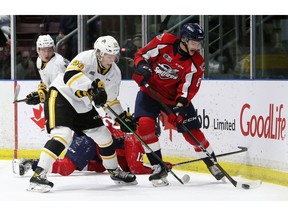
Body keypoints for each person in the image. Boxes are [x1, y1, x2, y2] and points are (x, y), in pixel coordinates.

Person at [28, 35, 137, 193]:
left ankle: (115, 172)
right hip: (62, 96)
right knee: (62, 135)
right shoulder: (86, 57)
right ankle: (38, 176)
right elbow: (69, 76)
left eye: (114, 55)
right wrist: (91, 88)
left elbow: (111, 101)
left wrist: (121, 118)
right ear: (99, 53)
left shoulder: (115, 73)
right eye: (108, 55)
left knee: (104, 135)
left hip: (82, 104)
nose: (111, 58)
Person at [132, 23, 225, 187]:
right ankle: (157, 167)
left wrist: (179, 108)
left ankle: (211, 161)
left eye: (199, 43)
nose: (197, 46)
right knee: (144, 126)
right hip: (150, 93)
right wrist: (142, 68)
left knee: (192, 134)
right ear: (184, 39)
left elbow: (187, 90)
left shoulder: (197, 63)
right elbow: (141, 55)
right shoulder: (164, 41)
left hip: (174, 100)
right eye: (194, 42)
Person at [13, 116, 152, 176]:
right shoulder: (133, 137)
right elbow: (136, 168)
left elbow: (125, 163)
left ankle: (79, 161)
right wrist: (158, 168)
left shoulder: (128, 132)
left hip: (95, 140)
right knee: (67, 168)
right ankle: (31, 164)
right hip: (90, 138)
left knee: (102, 167)